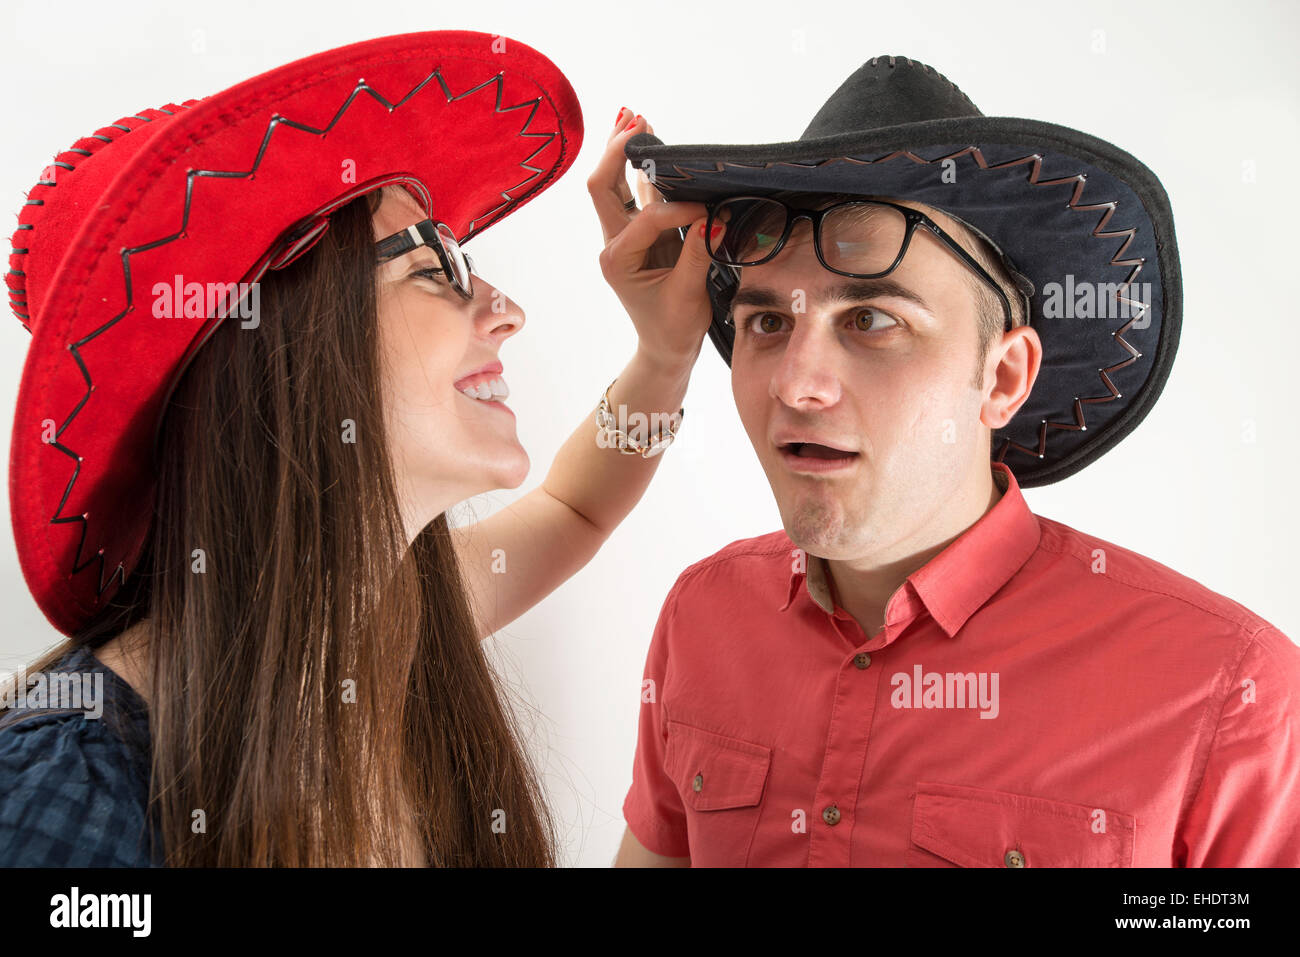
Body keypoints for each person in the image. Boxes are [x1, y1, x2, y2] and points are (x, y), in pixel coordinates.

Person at [0, 32, 715, 866]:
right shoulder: (61, 803)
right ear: (281, 347)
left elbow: (577, 507)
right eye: (433, 268)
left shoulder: (380, 627)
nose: (506, 309)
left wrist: (666, 354)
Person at [614, 54, 1300, 867]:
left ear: (1003, 376)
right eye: (767, 323)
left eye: (871, 319)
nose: (796, 384)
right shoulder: (702, 618)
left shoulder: (1228, 691)